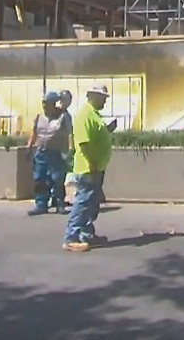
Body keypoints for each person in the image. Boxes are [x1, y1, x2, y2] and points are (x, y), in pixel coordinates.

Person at [63, 84, 113, 252]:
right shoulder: (84, 114)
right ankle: (71, 237)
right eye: (103, 98)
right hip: (88, 167)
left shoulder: (93, 114)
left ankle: (87, 234)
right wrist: (92, 162)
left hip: (95, 167)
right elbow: (83, 142)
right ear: (93, 96)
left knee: (91, 203)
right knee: (83, 203)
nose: (105, 101)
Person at [27, 91, 71, 216]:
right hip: (41, 152)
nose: (45, 106)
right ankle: (41, 204)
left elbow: (70, 134)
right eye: (43, 103)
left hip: (56, 152)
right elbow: (34, 132)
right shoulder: (39, 117)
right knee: (40, 179)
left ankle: (59, 203)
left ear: (54, 104)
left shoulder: (63, 117)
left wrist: (69, 151)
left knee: (57, 179)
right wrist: (29, 147)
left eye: (47, 103)